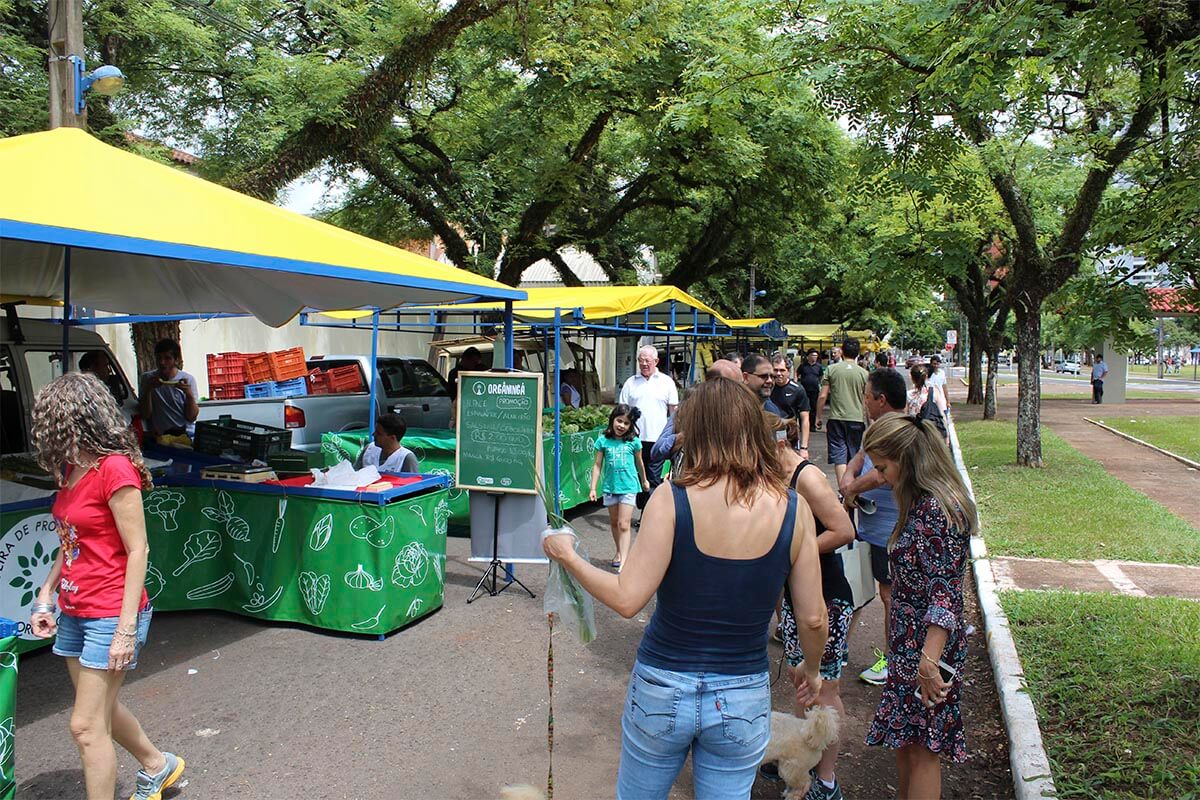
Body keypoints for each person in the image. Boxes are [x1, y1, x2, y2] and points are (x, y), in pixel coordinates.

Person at [543, 378, 827, 799]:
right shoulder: (793, 508)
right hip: (742, 693)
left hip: (662, 684)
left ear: (692, 432)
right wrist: (813, 668)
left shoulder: (670, 499)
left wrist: (567, 556)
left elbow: (627, 598)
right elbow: (812, 616)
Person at [29, 372, 185, 800]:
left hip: (111, 612)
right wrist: (45, 594)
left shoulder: (114, 469)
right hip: (76, 610)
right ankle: (158, 764)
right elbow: (71, 542)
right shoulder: (71, 469)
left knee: (85, 726)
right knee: (102, 711)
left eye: (52, 423)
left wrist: (124, 628)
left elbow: (139, 550)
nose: (47, 433)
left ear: (73, 419)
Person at [861, 413, 977, 798]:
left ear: (906, 459)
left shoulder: (936, 512)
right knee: (909, 742)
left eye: (883, 466)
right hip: (910, 645)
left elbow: (945, 593)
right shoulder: (923, 504)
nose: (880, 476)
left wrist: (928, 662)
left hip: (927, 648)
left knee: (925, 749)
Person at [773, 417, 856, 800]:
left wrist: (797, 553)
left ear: (775, 443)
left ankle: (826, 780)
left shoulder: (806, 478)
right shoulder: (774, 474)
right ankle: (799, 761)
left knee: (826, 689)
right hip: (797, 595)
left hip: (826, 599)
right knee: (803, 682)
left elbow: (843, 529)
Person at [839, 368, 906, 686]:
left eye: (866, 396)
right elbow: (860, 458)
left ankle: (895, 663)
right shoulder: (877, 429)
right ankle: (837, 650)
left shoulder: (898, 431)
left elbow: (882, 475)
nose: (863, 402)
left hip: (889, 531)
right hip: (870, 527)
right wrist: (847, 478)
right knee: (858, 587)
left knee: (890, 594)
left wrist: (852, 490)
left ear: (880, 399)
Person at [647, 360, 742, 480]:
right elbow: (656, 451)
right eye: (733, 386)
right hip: (689, 488)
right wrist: (680, 438)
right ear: (713, 384)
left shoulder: (744, 413)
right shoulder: (687, 410)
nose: (740, 392)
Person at [590, 404, 651, 571]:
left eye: (626, 423)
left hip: (629, 486)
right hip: (610, 487)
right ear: (612, 420)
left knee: (624, 524)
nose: (621, 426)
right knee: (614, 522)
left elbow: (640, 463)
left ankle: (624, 561)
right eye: (619, 421)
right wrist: (593, 488)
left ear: (631, 426)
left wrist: (644, 480)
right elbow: (597, 465)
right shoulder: (603, 441)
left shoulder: (634, 442)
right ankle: (618, 551)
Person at [618, 346, 679, 497]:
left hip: (657, 440)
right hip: (634, 439)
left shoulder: (666, 382)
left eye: (647, 360)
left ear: (656, 361)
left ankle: (647, 514)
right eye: (641, 360)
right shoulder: (631, 382)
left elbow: (674, 412)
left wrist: (674, 435)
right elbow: (622, 411)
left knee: (652, 477)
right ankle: (642, 505)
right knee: (636, 476)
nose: (644, 364)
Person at [815, 338, 869, 484]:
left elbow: (823, 395)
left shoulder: (831, 370)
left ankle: (843, 491)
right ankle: (851, 489)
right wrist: (869, 421)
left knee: (839, 457)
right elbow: (867, 400)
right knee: (853, 456)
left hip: (836, 418)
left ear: (842, 351)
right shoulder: (864, 374)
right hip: (857, 419)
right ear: (858, 353)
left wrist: (818, 417)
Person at [137, 339, 199, 440]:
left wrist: (189, 394)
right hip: (159, 438)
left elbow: (192, 417)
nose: (162, 362)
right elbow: (145, 414)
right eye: (159, 358)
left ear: (176, 360)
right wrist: (148, 389)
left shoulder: (188, 380)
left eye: (167, 358)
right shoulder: (147, 379)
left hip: (184, 436)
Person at [770, 355, 812, 452]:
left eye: (782, 370)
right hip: (769, 434)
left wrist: (804, 447)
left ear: (788, 371)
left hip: (788, 436)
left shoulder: (797, 390)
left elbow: (805, 419)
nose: (778, 374)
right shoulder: (767, 388)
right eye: (775, 370)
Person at [797, 349, 824, 431]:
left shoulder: (819, 366)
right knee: (803, 408)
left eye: (816, 356)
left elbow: (821, 376)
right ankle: (803, 426)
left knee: (813, 408)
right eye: (812, 355)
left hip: (814, 390)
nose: (814, 357)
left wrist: (819, 383)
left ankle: (812, 426)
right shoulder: (803, 366)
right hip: (804, 390)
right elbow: (797, 373)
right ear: (808, 356)